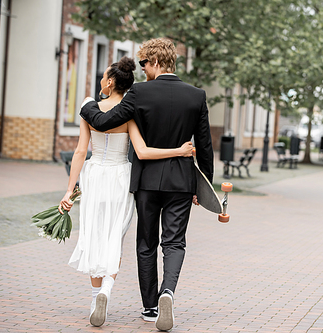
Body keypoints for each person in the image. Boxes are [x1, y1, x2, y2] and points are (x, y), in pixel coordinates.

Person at [79, 38, 213, 331]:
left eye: (143, 65)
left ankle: (151, 308)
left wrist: (87, 106)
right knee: (175, 242)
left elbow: (104, 121)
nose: (142, 71)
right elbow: (205, 147)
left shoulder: (139, 92)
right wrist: (206, 188)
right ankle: (168, 292)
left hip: (147, 182)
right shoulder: (196, 95)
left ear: (154, 62)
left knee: (146, 243)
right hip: (181, 181)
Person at [58, 56, 194, 327]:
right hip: (121, 178)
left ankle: (97, 295)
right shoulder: (130, 115)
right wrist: (179, 151)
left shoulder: (90, 109)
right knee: (113, 239)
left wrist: (69, 190)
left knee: (94, 235)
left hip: (94, 176)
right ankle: (107, 290)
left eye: (103, 76)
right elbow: (142, 152)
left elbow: (80, 151)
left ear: (110, 81)